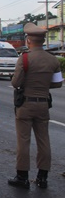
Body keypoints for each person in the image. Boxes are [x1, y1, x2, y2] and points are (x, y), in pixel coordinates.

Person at [8, 23, 63, 189]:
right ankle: (42, 177)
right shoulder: (53, 59)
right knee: (43, 140)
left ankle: (22, 177)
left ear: (28, 40)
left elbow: (16, 82)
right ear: (43, 41)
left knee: (23, 141)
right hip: (43, 104)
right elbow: (58, 83)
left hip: (25, 104)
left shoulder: (24, 58)